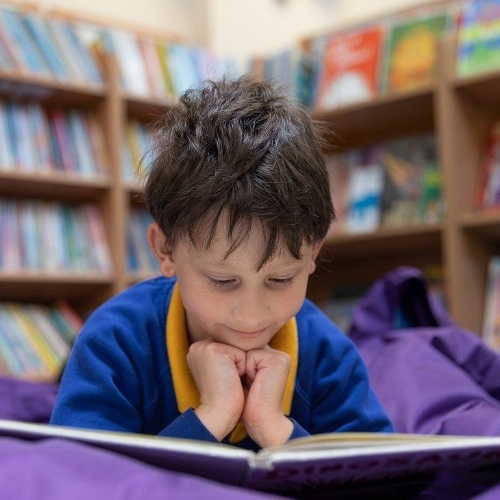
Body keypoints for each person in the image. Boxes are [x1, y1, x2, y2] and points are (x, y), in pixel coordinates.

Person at [50, 76, 393, 450]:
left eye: (280, 279)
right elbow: (78, 474)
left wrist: (274, 429)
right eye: (222, 280)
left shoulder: (329, 356)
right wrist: (211, 417)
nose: (251, 315)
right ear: (166, 250)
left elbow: (383, 474)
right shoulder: (114, 342)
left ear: (313, 254)